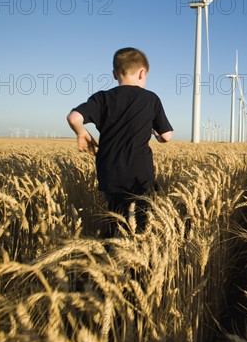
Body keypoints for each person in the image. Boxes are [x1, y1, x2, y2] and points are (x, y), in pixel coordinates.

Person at [67, 47, 173, 237]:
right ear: (143, 73)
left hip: (110, 173)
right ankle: (135, 261)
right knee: (141, 225)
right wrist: (156, 135)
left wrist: (82, 133)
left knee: (116, 218)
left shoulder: (102, 98)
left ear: (115, 74)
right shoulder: (151, 99)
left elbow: (74, 117)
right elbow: (166, 136)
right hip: (139, 175)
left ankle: (110, 256)